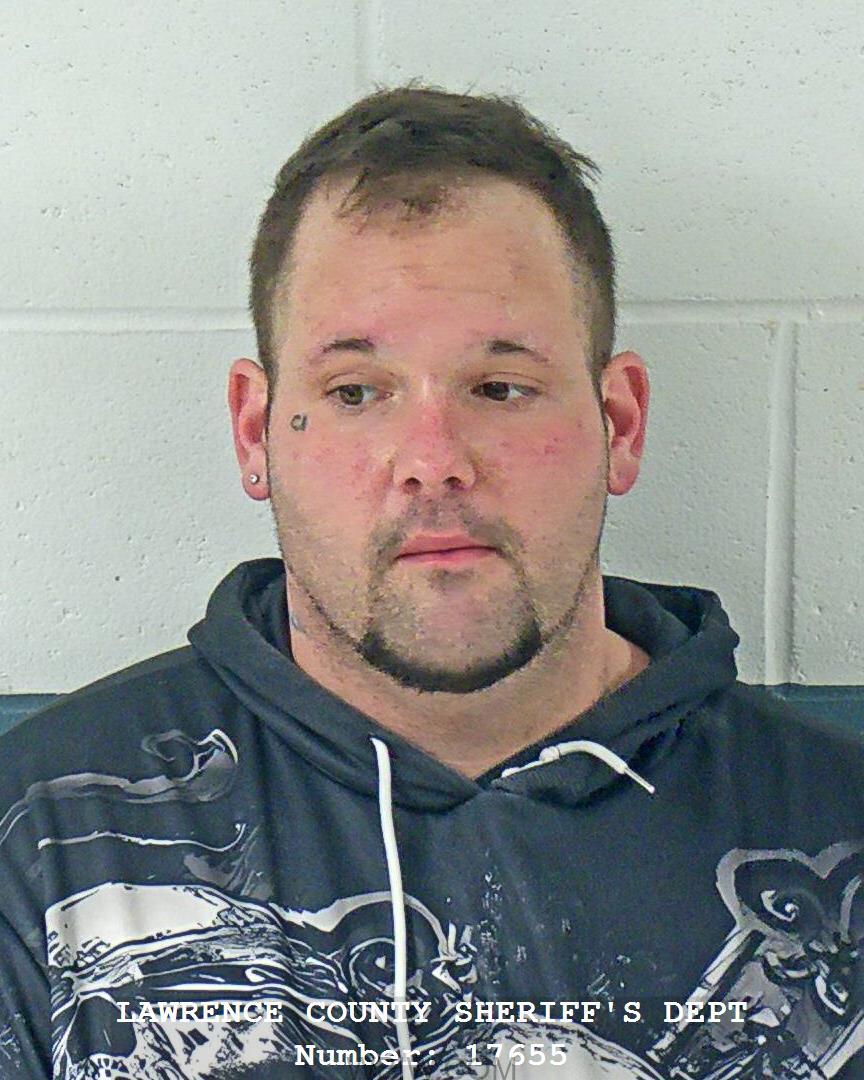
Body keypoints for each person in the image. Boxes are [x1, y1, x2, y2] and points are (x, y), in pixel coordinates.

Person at [1, 80, 862, 1080]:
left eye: (500, 387)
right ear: (255, 433)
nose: (434, 460)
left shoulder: (836, 840)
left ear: (620, 426)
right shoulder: (41, 842)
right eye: (356, 391)